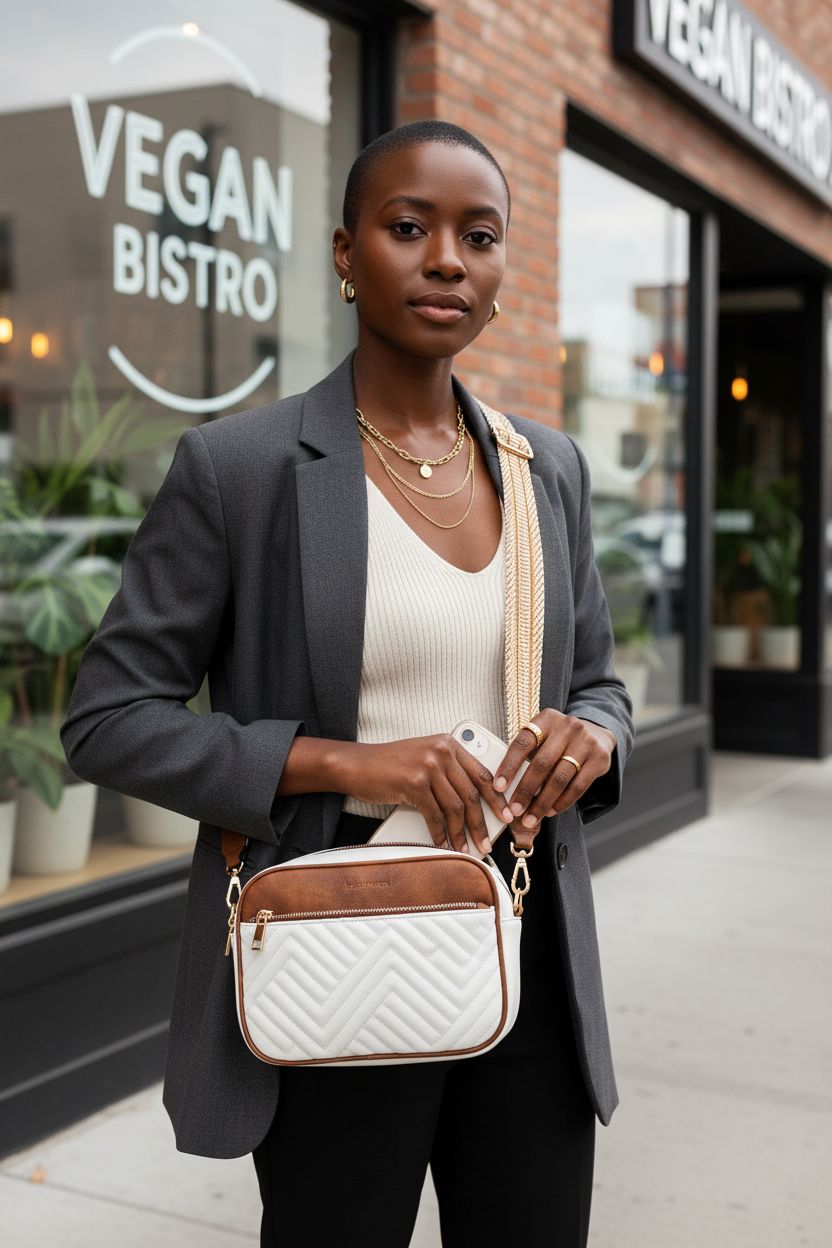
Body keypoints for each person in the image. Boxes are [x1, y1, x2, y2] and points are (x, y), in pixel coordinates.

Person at [60, 119, 634, 1247]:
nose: (446, 261)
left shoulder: (542, 469)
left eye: (479, 236)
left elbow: (601, 683)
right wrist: (337, 759)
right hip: (340, 948)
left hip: (524, 945)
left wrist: (597, 737)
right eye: (407, 227)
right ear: (342, 252)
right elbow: (108, 719)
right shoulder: (243, 470)